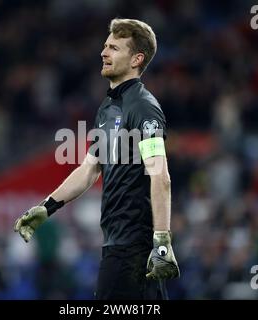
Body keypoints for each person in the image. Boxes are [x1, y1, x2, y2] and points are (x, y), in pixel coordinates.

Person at [14, 18, 180, 300]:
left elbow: (160, 175)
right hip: (117, 243)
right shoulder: (108, 108)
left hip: (134, 247)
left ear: (136, 59)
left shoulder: (143, 107)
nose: (104, 53)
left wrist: (161, 242)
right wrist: (47, 206)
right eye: (105, 46)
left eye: (114, 48)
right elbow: (90, 168)